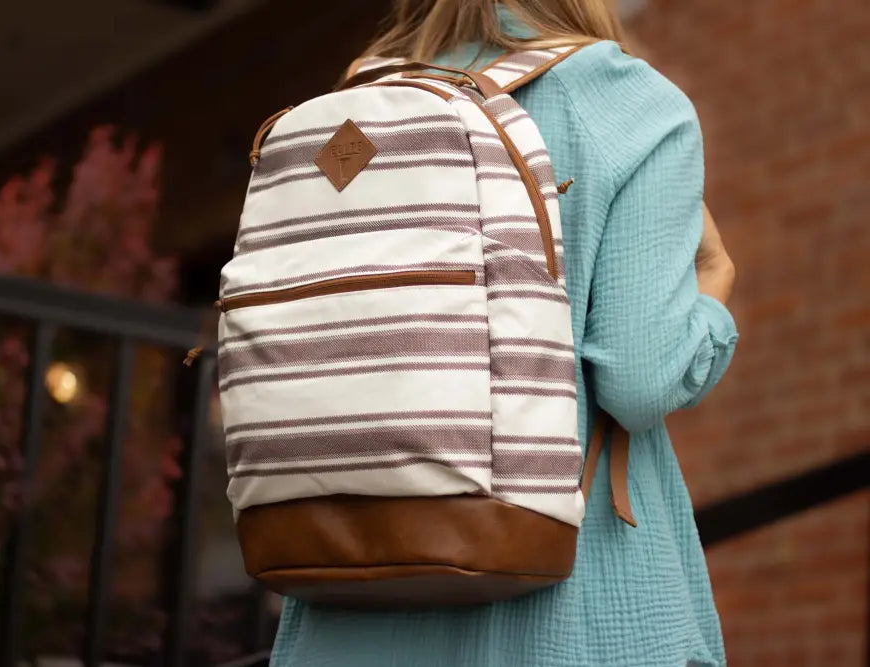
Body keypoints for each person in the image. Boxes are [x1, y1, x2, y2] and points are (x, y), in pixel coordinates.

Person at [269, 1, 738, 665]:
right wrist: (715, 290)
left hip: (345, 583)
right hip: (560, 596)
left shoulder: (351, 109)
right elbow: (639, 377)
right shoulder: (627, 101)